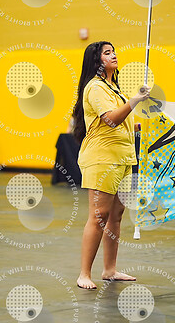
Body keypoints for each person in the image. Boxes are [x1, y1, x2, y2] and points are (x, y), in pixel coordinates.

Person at [72, 41, 150, 289]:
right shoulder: (95, 88)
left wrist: (133, 125)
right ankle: (84, 274)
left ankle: (109, 270)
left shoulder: (113, 87)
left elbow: (119, 121)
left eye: (113, 51)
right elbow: (110, 120)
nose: (114, 55)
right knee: (99, 216)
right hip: (102, 159)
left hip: (123, 158)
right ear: (97, 61)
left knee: (116, 216)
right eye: (107, 53)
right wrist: (135, 100)